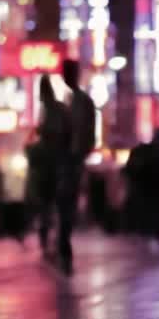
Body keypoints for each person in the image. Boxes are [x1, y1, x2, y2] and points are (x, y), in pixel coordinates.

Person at [59, 59, 97, 271]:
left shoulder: (80, 101)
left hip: (72, 157)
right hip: (69, 157)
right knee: (66, 199)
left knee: (67, 199)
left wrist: (81, 151)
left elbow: (87, 131)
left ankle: (64, 242)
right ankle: (63, 241)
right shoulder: (71, 100)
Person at [123, 134, 159, 246]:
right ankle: (156, 231)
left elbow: (129, 169)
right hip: (157, 187)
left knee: (145, 210)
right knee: (157, 211)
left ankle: (146, 231)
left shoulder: (138, 152)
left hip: (143, 187)